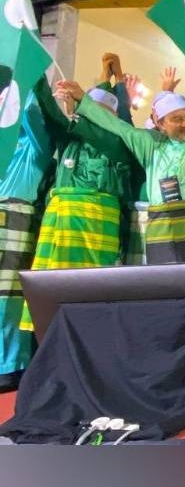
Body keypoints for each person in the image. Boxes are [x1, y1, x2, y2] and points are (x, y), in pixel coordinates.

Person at [62, 38, 185, 265]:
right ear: (160, 124)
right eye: (177, 119)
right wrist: (82, 99)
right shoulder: (151, 145)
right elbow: (116, 125)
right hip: (163, 232)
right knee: (164, 292)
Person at [20, 55, 136, 331]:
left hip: (97, 231)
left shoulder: (120, 145)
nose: (92, 115)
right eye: (89, 109)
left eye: (100, 111)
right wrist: (35, 70)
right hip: (59, 227)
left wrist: (117, 85)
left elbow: (112, 129)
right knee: (49, 299)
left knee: (91, 300)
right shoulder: (70, 138)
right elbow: (49, 110)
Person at [0, 81, 53, 392]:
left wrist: (26, 80)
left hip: (15, 216)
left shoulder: (34, 147)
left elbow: (33, 117)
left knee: (8, 299)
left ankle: (10, 365)